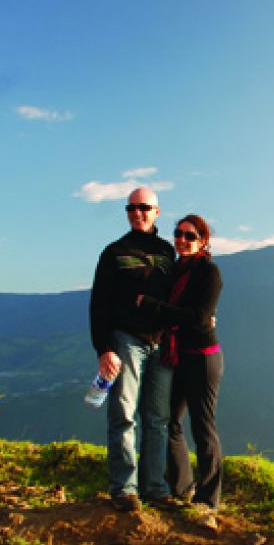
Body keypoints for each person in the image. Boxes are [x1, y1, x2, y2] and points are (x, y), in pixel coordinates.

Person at [89, 187, 176, 512]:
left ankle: (155, 488)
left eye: (144, 208)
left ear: (157, 212)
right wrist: (104, 349)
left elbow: (177, 298)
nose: (137, 213)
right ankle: (125, 489)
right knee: (123, 414)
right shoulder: (114, 253)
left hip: (161, 343)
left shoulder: (168, 253)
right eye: (131, 208)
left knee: (158, 419)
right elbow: (98, 305)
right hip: (125, 340)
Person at [136, 214, 224, 529]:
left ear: (203, 241)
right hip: (177, 356)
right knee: (170, 421)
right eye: (178, 234)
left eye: (190, 236)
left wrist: (152, 306)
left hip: (202, 358)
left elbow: (199, 318)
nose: (182, 240)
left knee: (203, 427)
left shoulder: (209, 272)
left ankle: (209, 498)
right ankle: (183, 487)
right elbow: (187, 314)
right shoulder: (176, 271)